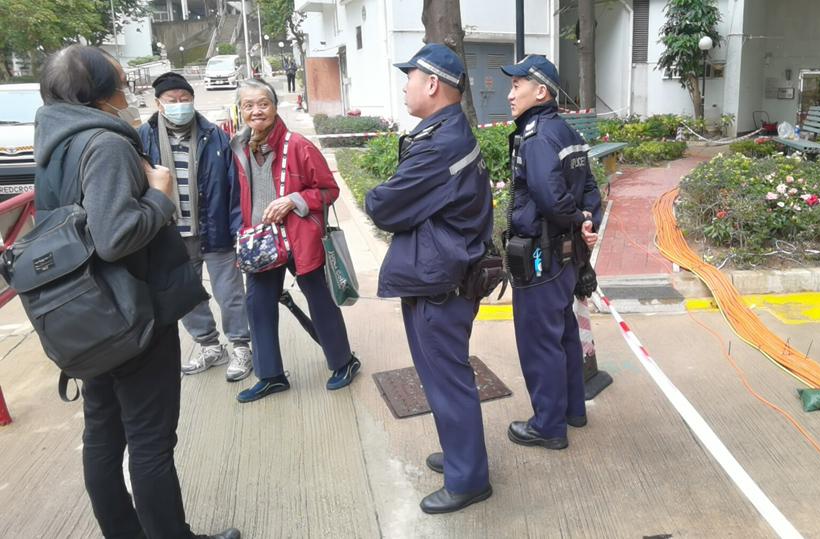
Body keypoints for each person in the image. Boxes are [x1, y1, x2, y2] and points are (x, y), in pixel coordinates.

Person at [33, 45, 240, 539]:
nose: (127, 94)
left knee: (103, 434)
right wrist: (160, 197)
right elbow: (114, 236)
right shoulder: (104, 144)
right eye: (121, 84)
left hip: (87, 315)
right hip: (132, 315)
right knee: (150, 442)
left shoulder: (54, 143)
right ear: (98, 93)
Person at [365, 43, 494, 515]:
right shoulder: (447, 132)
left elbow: (384, 206)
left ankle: (468, 480)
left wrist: (380, 197)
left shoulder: (440, 145)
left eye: (410, 78)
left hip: (442, 284)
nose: (405, 86)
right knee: (440, 378)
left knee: (447, 381)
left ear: (433, 84)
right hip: (439, 275)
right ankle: (462, 455)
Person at [229, 78, 360, 403]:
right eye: (248, 105)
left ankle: (344, 362)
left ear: (275, 107)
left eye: (263, 103)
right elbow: (235, 196)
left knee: (320, 300)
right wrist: (239, 231)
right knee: (258, 306)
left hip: (300, 240)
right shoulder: (238, 148)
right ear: (240, 110)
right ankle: (271, 376)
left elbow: (329, 190)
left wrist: (294, 200)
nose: (256, 111)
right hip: (261, 242)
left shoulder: (298, 145)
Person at [499, 55, 602, 451]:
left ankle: (548, 426)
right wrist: (587, 220)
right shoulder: (567, 132)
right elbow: (590, 188)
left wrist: (576, 219)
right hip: (566, 257)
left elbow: (549, 196)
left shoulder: (537, 136)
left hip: (541, 258)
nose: (510, 95)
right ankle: (573, 410)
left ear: (540, 91)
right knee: (564, 333)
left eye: (516, 86)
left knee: (539, 342)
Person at [138, 72, 253, 382]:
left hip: (214, 230)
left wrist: (237, 228)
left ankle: (241, 346)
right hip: (170, 234)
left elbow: (232, 186)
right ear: (159, 104)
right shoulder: (142, 139)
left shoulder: (214, 136)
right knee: (187, 297)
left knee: (230, 294)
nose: (180, 105)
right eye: (172, 100)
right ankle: (209, 346)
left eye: (185, 99)